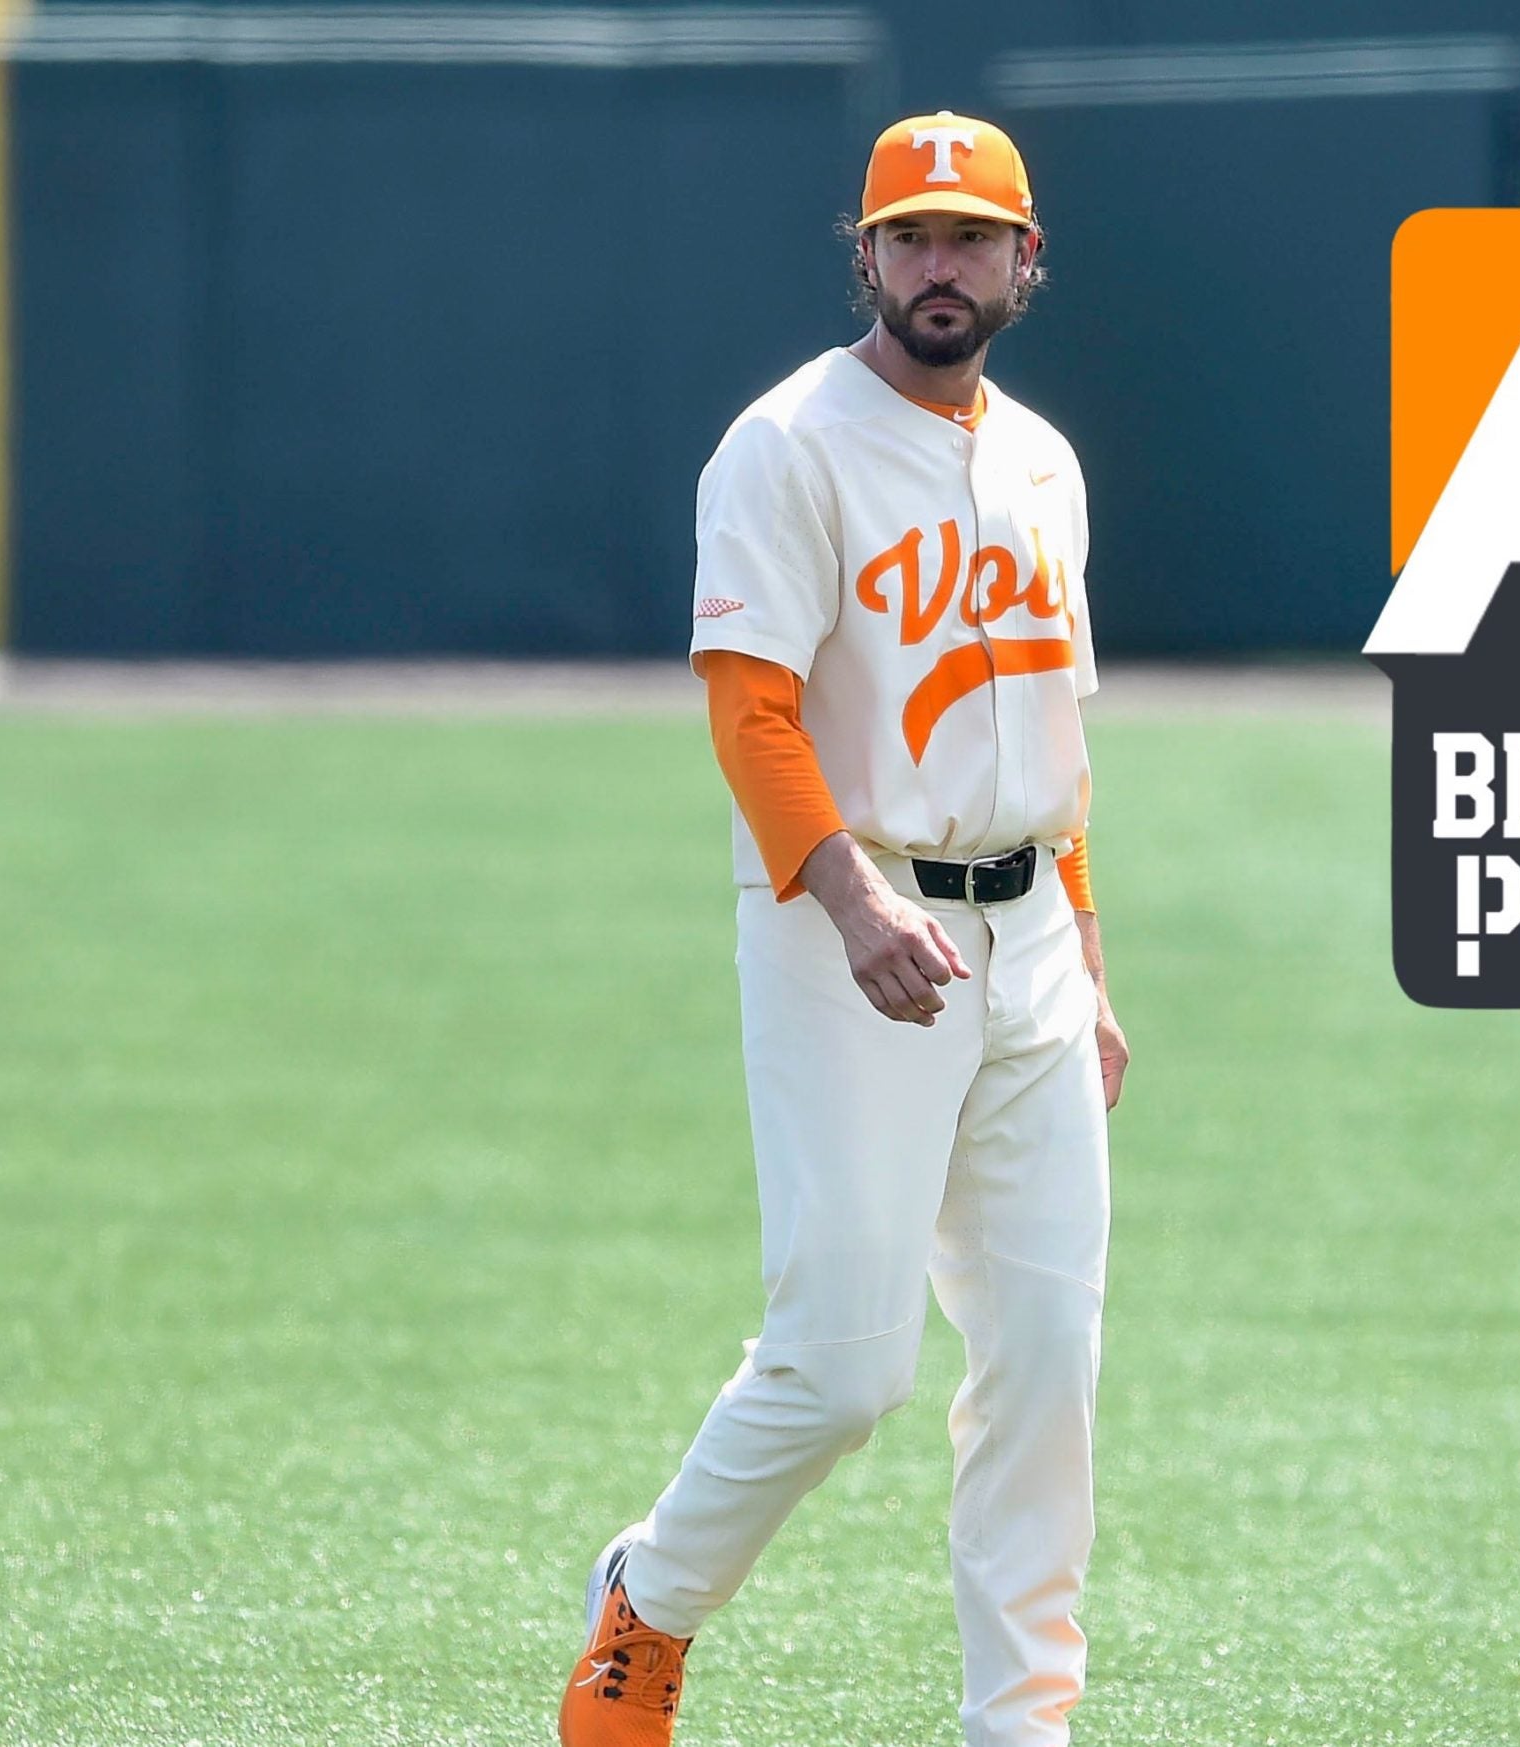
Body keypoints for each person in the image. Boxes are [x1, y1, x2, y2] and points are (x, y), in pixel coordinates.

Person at [558, 110, 1127, 1747]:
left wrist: (1084, 953)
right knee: (845, 1363)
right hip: (844, 926)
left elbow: (1050, 733)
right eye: (910, 236)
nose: (939, 264)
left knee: (1044, 1366)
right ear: (863, 254)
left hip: (1026, 941)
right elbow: (751, 707)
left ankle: (1021, 1726)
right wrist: (851, 892)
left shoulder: (1042, 460)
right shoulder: (786, 444)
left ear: (1026, 260)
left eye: (970, 236)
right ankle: (649, 1600)